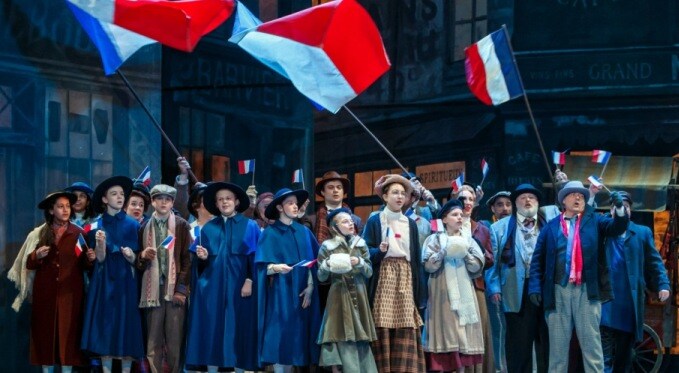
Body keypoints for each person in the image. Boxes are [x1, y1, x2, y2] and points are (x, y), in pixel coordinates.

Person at [528, 181, 629, 373]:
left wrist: (619, 208)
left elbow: (617, 228)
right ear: (563, 200)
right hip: (558, 290)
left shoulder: (595, 221)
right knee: (557, 351)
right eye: (573, 195)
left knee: (592, 347)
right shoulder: (550, 227)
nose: (578, 198)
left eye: (582, 196)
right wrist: (534, 287)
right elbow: (537, 261)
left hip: (586, 290)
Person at [186, 182, 260, 372]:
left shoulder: (250, 226)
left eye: (228, 198)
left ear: (236, 202)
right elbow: (199, 266)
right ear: (216, 205)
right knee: (212, 329)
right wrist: (202, 258)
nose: (224, 202)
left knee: (239, 329)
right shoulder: (208, 228)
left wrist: (249, 280)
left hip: (240, 288)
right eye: (220, 199)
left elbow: (255, 258)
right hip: (212, 289)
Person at [19, 191, 96, 372]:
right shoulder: (41, 233)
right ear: (52, 210)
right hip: (45, 294)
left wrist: (90, 258)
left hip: (70, 294)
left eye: (68, 206)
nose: (65, 210)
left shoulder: (77, 233)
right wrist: (36, 255)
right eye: (60, 207)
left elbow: (85, 264)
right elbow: (28, 263)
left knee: (68, 337)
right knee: (45, 335)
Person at [600, 191, 670, 372]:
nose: (622, 210)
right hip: (604, 297)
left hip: (628, 300)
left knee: (624, 354)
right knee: (602, 353)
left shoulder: (641, 232)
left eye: (626, 207)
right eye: (617, 207)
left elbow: (654, 262)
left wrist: (663, 284)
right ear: (611, 210)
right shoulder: (602, 229)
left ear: (630, 211)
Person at [362, 174, 425, 372]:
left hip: (405, 274)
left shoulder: (410, 224)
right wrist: (378, 251)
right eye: (395, 193)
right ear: (385, 196)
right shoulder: (375, 220)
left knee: (406, 321)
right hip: (384, 274)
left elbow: (415, 259)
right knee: (383, 320)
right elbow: (366, 252)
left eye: (402, 193)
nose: (399, 197)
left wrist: (419, 288)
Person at [81, 176, 144, 373]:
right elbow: (99, 259)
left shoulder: (133, 225)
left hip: (126, 280)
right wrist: (100, 245)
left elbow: (138, 259)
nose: (119, 197)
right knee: (106, 326)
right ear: (105, 199)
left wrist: (131, 256)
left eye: (122, 194)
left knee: (126, 325)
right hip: (104, 280)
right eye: (114, 194)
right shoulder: (95, 226)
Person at [255, 188, 321, 372]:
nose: (295, 206)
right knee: (280, 334)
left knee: (297, 338)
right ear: (279, 207)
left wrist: (310, 286)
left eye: (296, 203)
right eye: (290, 203)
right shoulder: (270, 233)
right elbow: (262, 266)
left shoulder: (304, 232)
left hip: (303, 291)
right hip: (281, 291)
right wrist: (276, 267)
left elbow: (313, 262)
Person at [485, 184, 550, 373]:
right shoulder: (499, 227)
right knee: (518, 343)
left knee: (546, 341)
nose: (528, 200)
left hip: (544, 288)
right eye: (523, 198)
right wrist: (494, 287)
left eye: (532, 197)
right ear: (515, 203)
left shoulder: (548, 223)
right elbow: (493, 262)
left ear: (538, 203)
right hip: (515, 289)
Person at [422, 199, 485, 372]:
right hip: (441, 290)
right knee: (447, 331)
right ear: (444, 219)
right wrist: (442, 252)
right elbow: (428, 265)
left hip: (464, 288)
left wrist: (465, 255)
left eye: (461, 215)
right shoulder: (434, 239)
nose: (459, 218)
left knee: (463, 333)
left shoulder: (468, 240)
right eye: (454, 215)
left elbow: (477, 268)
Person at [136, 184, 192, 373]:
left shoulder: (182, 225)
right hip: (152, 290)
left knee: (175, 338)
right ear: (152, 202)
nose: (163, 202)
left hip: (174, 288)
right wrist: (143, 256)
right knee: (153, 339)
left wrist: (181, 290)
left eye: (167, 200)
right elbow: (138, 262)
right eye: (159, 198)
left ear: (172, 203)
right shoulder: (144, 227)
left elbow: (187, 259)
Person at [316, 208, 378, 373]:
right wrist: (327, 265)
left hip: (358, 292)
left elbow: (369, 272)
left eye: (350, 220)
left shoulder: (360, 244)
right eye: (344, 221)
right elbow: (321, 277)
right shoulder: (327, 246)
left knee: (360, 336)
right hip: (339, 295)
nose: (350, 223)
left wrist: (359, 261)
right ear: (334, 227)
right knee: (340, 335)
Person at [453, 185, 494, 373]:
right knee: (457, 330)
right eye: (463, 199)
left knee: (477, 330)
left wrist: (477, 251)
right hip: (453, 284)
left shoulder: (481, 229)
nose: (467, 203)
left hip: (476, 284)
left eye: (470, 199)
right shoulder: (448, 225)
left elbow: (491, 259)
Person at [312, 171, 362, 243]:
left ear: (343, 191)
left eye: (339, 187)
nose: (335, 190)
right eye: (331, 187)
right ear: (323, 192)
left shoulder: (356, 221)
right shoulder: (312, 221)